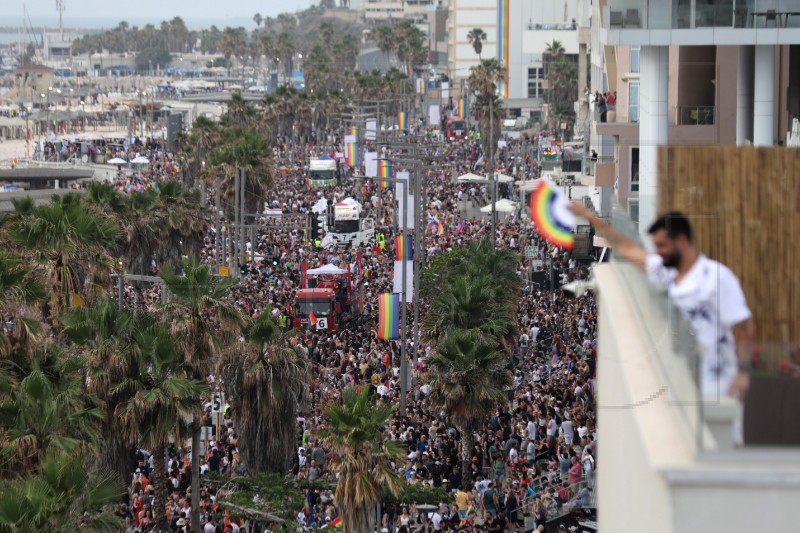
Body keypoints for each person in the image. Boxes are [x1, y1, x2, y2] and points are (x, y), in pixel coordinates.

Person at [569, 205, 754, 400]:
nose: (658, 252)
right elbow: (628, 248)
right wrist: (589, 216)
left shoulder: (716, 276)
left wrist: (742, 372)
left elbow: (744, 324)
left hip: (719, 380)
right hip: (684, 378)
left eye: (662, 245)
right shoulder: (665, 271)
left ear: (681, 241)